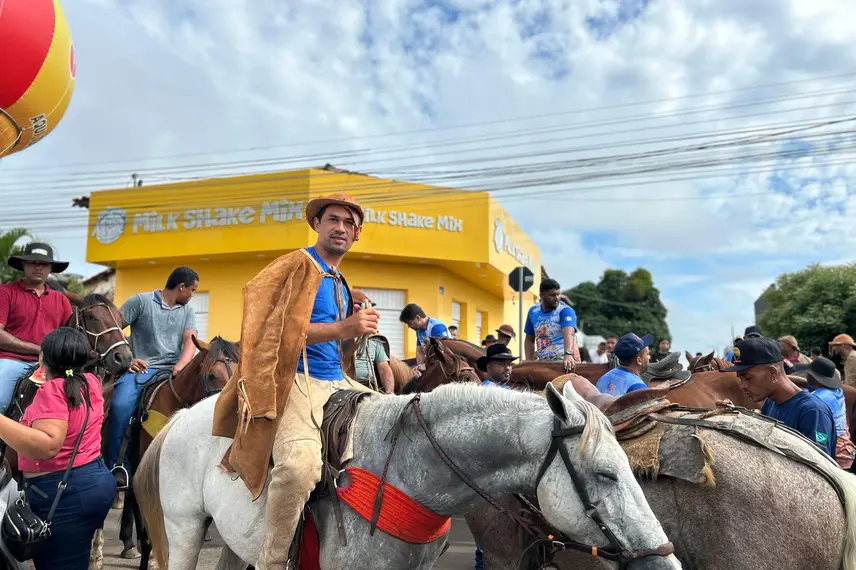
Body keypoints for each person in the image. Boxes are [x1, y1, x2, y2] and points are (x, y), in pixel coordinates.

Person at [211, 193, 378, 569]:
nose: (340, 228)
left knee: (401, 426)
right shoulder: (295, 264)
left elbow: (332, 339)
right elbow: (265, 327)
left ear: (357, 234)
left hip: (339, 382)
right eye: (333, 220)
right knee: (300, 468)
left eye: (348, 224)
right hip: (298, 381)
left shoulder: (338, 278)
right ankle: (273, 561)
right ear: (316, 224)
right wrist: (343, 326)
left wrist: (351, 329)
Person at [0, 327, 115, 569]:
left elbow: (47, 445)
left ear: (42, 358)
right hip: (95, 482)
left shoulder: (52, 390)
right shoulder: (91, 381)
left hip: (63, 493)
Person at [105, 266, 199, 487]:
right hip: (142, 370)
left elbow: (190, 341)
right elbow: (113, 331)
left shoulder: (187, 311)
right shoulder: (140, 301)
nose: (193, 294)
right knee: (120, 406)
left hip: (174, 371)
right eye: (193, 290)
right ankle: (116, 467)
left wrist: (182, 365)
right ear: (181, 287)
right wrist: (128, 361)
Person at [722, 337, 835, 458]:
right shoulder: (770, 404)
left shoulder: (812, 411)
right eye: (740, 378)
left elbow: (817, 469)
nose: (742, 386)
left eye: (748, 378)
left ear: (772, 373)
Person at [0, 243, 72, 415]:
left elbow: (70, 338)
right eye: (33, 262)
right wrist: (40, 349)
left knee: (80, 402)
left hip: (52, 364)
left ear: (50, 268)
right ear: (24, 265)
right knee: (0, 401)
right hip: (12, 361)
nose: (38, 267)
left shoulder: (61, 300)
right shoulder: (5, 292)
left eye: (44, 264)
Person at [804, 357, 854, 469]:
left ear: (813, 378)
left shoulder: (816, 400)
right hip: (847, 451)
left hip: (835, 456)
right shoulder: (837, 391)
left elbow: (820, 436)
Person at [524, 278, 578, 371]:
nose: (557, 298)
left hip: (562, 361)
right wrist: (529, 361)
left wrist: (568, 354)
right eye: (552, 295)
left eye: (558, 294)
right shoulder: (533, 311)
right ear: (541, 296)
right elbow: (529, 339)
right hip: (543, 362)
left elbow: (569, 334)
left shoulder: (565, 311)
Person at [351, 290, 394, 394]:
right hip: (343, 387)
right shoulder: (338, 336)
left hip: (367, 387)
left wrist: (389, 392)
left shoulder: (374, 338)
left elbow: (384, 368)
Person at [398, 303, 450, 370]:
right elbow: (419, 351)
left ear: (418, 318)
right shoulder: (419, 330)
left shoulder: (436, 327)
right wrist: (420, 367)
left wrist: (426, 366)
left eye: (409, 323)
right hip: (433, 363)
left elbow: (441, 353)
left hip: (446, 364)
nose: (408, 326)